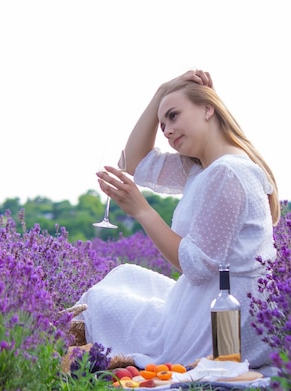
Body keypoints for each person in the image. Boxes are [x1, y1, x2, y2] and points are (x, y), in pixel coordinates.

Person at [74, 69, 280, 370]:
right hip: (214, 299)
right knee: (125, 276)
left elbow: (196, 266)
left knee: (100, 302)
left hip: (227, 322)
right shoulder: (204, 168)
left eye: (173, 116)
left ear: (208, 109)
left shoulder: (228, 173)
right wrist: (162, 91)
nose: (167, 131)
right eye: (162, 124)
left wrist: (142, 210)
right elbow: (132, 162)